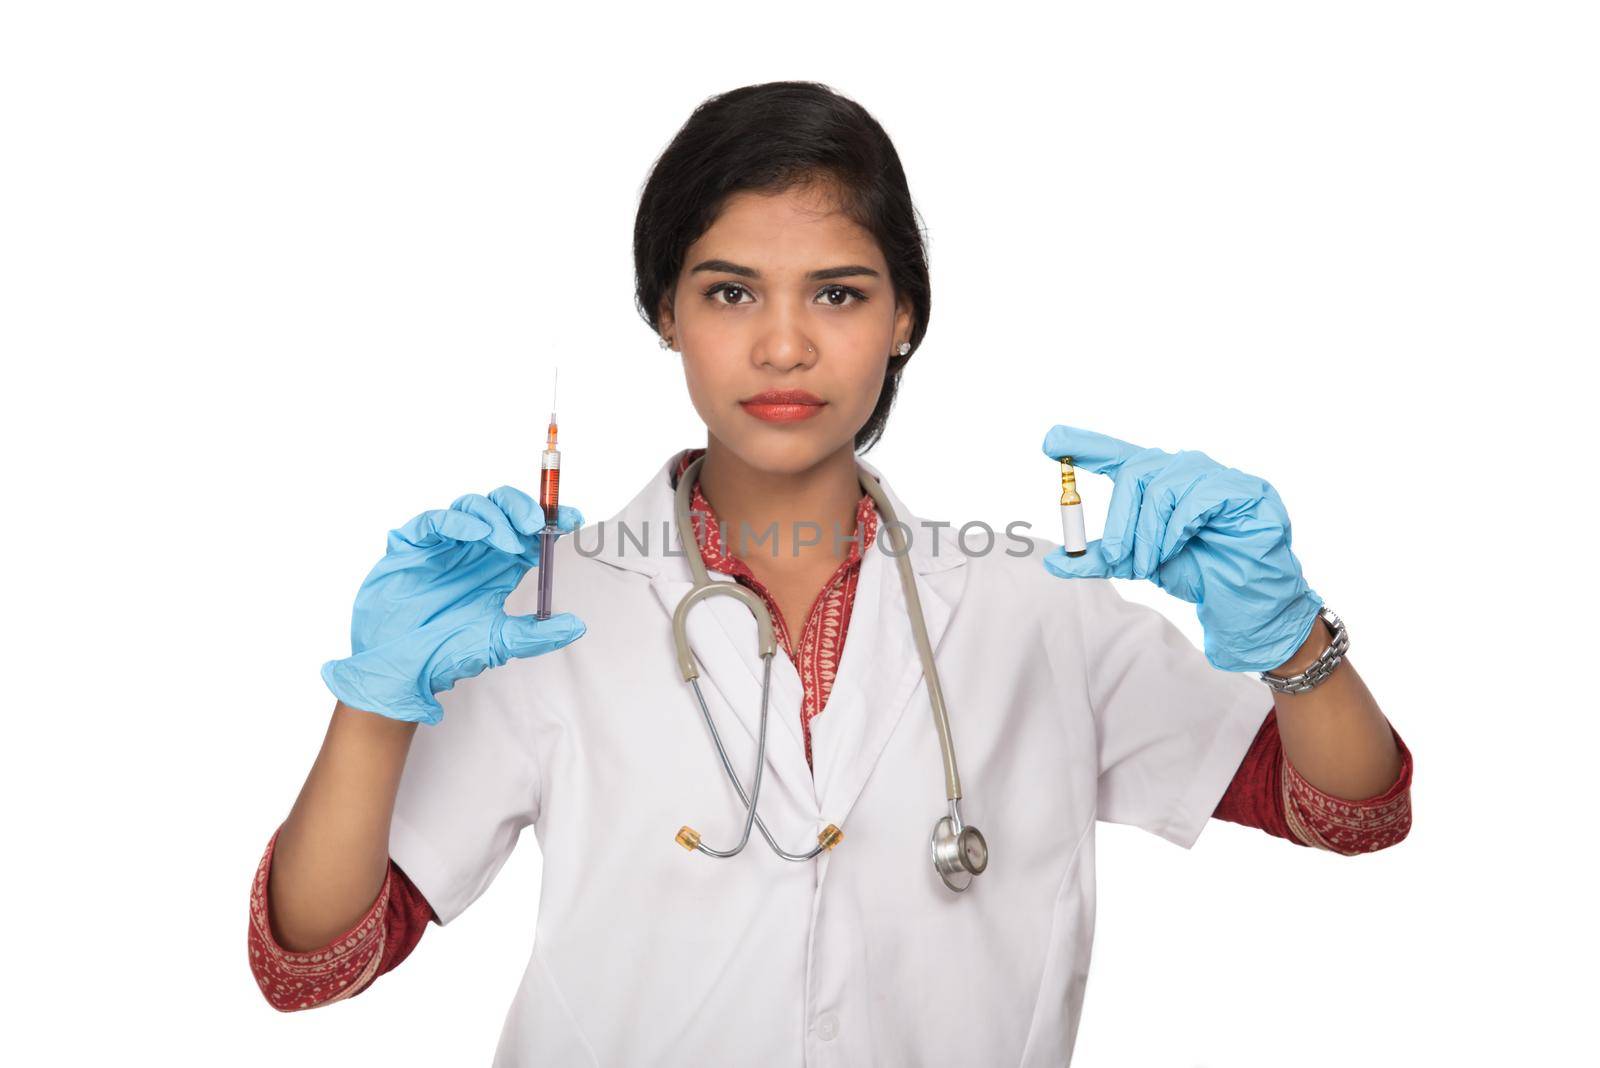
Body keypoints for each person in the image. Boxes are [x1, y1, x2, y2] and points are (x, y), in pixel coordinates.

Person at [247, 81, 1413, 1065]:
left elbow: (1352, 811)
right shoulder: (542, 614)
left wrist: (1289, 638)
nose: (784, 344)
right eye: (729, 291)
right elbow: (312, 961)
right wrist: (373, 702)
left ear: (905, 315)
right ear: (665, 314)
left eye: (839, 293)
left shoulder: (1029, 604)